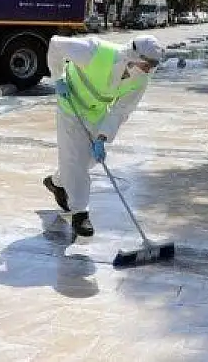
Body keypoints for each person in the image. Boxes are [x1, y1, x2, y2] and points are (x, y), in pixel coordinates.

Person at [43, 33, 166, 237]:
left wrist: (102, 138)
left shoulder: (141, 81)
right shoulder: (95, 51)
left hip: (96, 112)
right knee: (76, 161)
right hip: (70, 105)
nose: (149, 70)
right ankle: (80, 214)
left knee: (88, 159)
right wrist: (59, 78)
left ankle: (57, 182)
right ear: (133, 56)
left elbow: (121, 110)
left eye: (153, 66)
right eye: (147, 64)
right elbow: (55, 45)